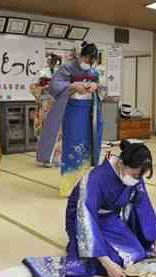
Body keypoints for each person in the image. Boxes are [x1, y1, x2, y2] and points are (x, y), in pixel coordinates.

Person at [24, 140, 156, 277]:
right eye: (135, 175)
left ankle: (99, 251)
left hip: (109, 219)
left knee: (138, 254)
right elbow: (84, 217)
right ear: (121, 164)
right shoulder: (96, 178)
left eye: (140, 177)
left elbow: (144, 206)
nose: (137, 180)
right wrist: (108, 265)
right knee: (115, 261)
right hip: (83, 219)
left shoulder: (134, 176)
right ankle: (79, 246)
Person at [48, 42, 105, 197]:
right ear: (82, 56)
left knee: (90, 144)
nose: (88, 63)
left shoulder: (94, 71)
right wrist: (73, 86)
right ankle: (70, 185)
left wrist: (96, 86)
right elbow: (54, 85)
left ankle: (86, 185)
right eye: (86, 59)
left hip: (90, 110)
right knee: (73, 143)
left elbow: (102, 88)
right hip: (73, 109)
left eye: (91, 60)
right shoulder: (68, 67)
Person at [31, 53, 63, 167]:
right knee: (44, 131)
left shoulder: (62, 73)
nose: (53, 62)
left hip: (57, 104)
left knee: (58, 132)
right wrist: (42, 88)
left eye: (55, 61)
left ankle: (57, 157)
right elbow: (33, 87)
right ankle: (45, 158)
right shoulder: (42, 72)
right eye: (52, 60)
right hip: (45, 104)